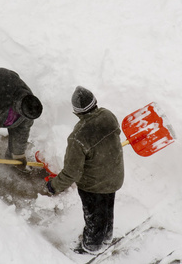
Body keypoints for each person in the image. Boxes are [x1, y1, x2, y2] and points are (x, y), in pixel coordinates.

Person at [45, 86, 124, 254]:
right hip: (114, 175)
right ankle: (106, 238)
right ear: (95, 102)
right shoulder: (108, 115)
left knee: (94, 216)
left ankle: (92, 247)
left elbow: (72, 172)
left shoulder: (77, 137)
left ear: (76, 113)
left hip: (93, 185)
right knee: (107, 209)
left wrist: (54, 185)